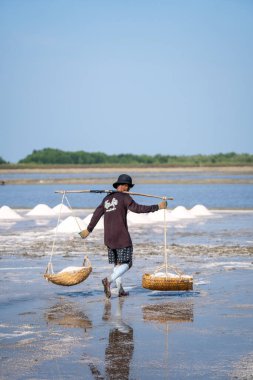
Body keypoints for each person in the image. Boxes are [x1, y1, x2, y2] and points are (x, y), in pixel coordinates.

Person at [79, 174, 167, 298]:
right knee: (128, 263)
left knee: (118, 264)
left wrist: (88, 230)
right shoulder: (125, 197)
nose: (129, 189)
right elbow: (138, 208)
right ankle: (108, 280)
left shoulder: (107, 198)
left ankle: (120, 289)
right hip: (121, 236)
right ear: (124, 186)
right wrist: (157, 207)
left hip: (108, 238)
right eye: (128, 187)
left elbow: (97, 213)